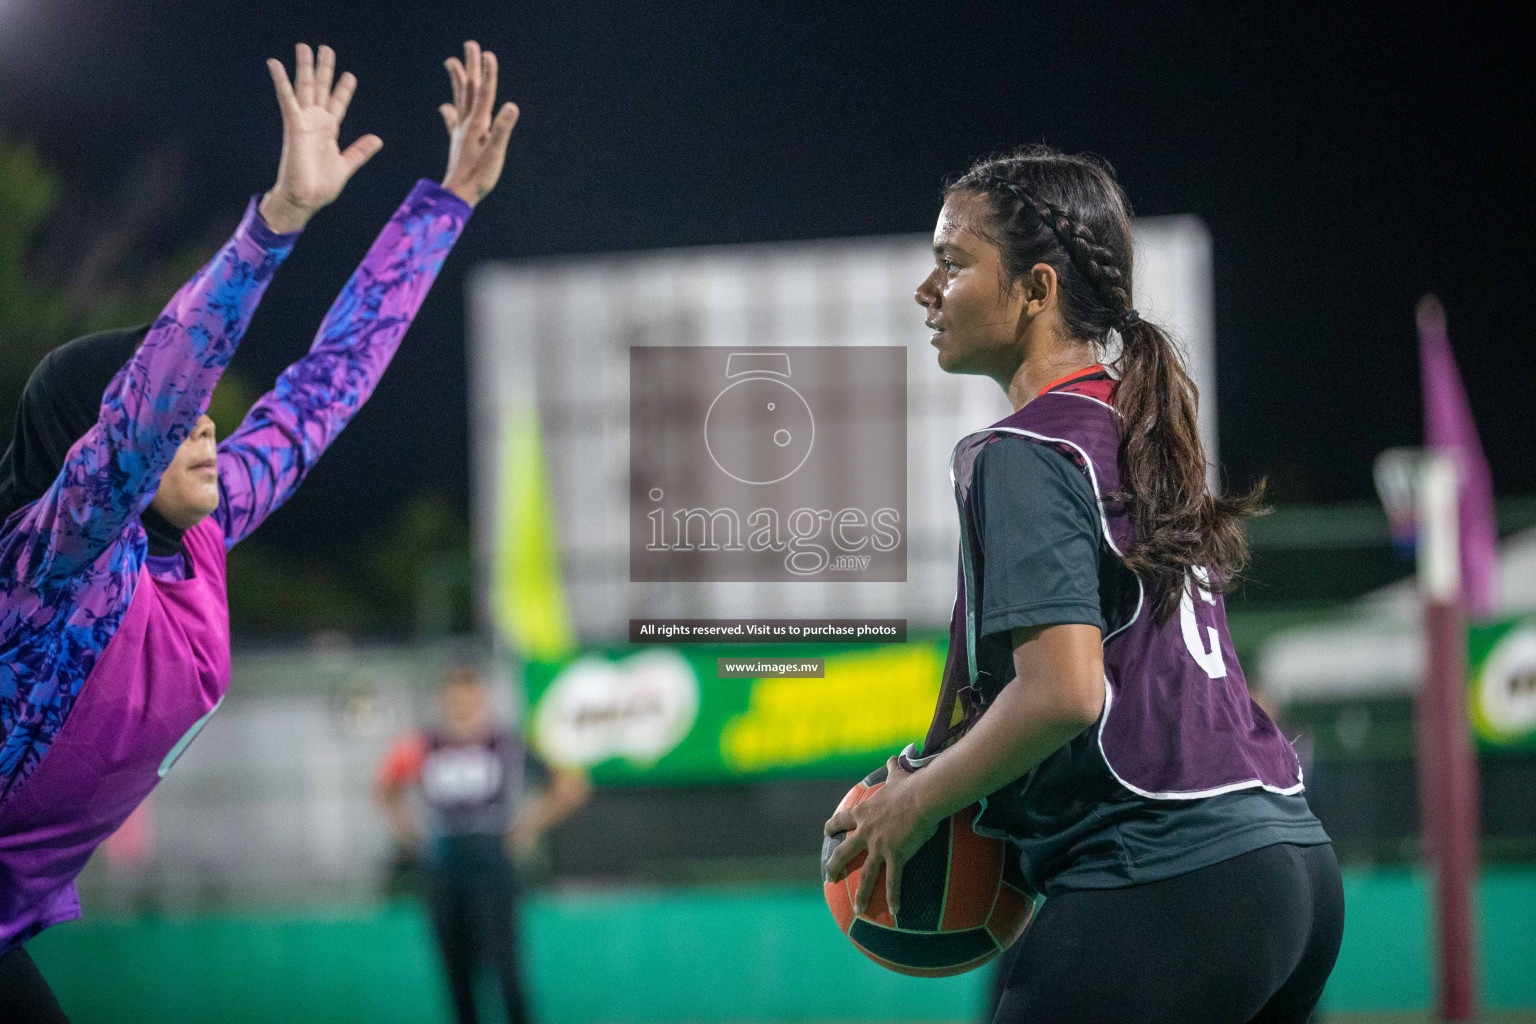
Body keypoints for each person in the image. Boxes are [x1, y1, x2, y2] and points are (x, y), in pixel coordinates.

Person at [0, 40, 519, 1020]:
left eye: (207, 415)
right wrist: (277, 219)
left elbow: (328, 383)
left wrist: (445, 203)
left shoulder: (199, 530)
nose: (205, 425)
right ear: (103, 445)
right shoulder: (50, 567)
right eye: (180, 416)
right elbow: (160, 390)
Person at [823, 146, 1344, 1024]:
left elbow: (1065, 693)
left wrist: (915, 799)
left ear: (1035, 290)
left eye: (952, 264)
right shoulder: (1138, 434)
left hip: (1164, 872)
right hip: (1289, 864)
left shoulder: (1026, 451)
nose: (927, 289)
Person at [376, 662, 590, 1024]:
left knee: (504, 964)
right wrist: (411, 835)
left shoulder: (507, 744)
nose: (460, 703)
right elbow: (384, 789)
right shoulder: (421, 745)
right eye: (452, 696)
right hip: (444, 860)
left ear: (481, 696)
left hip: (491, 858)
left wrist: (528, 826)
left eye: (468, 694)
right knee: (456, 969)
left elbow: (571, 786)